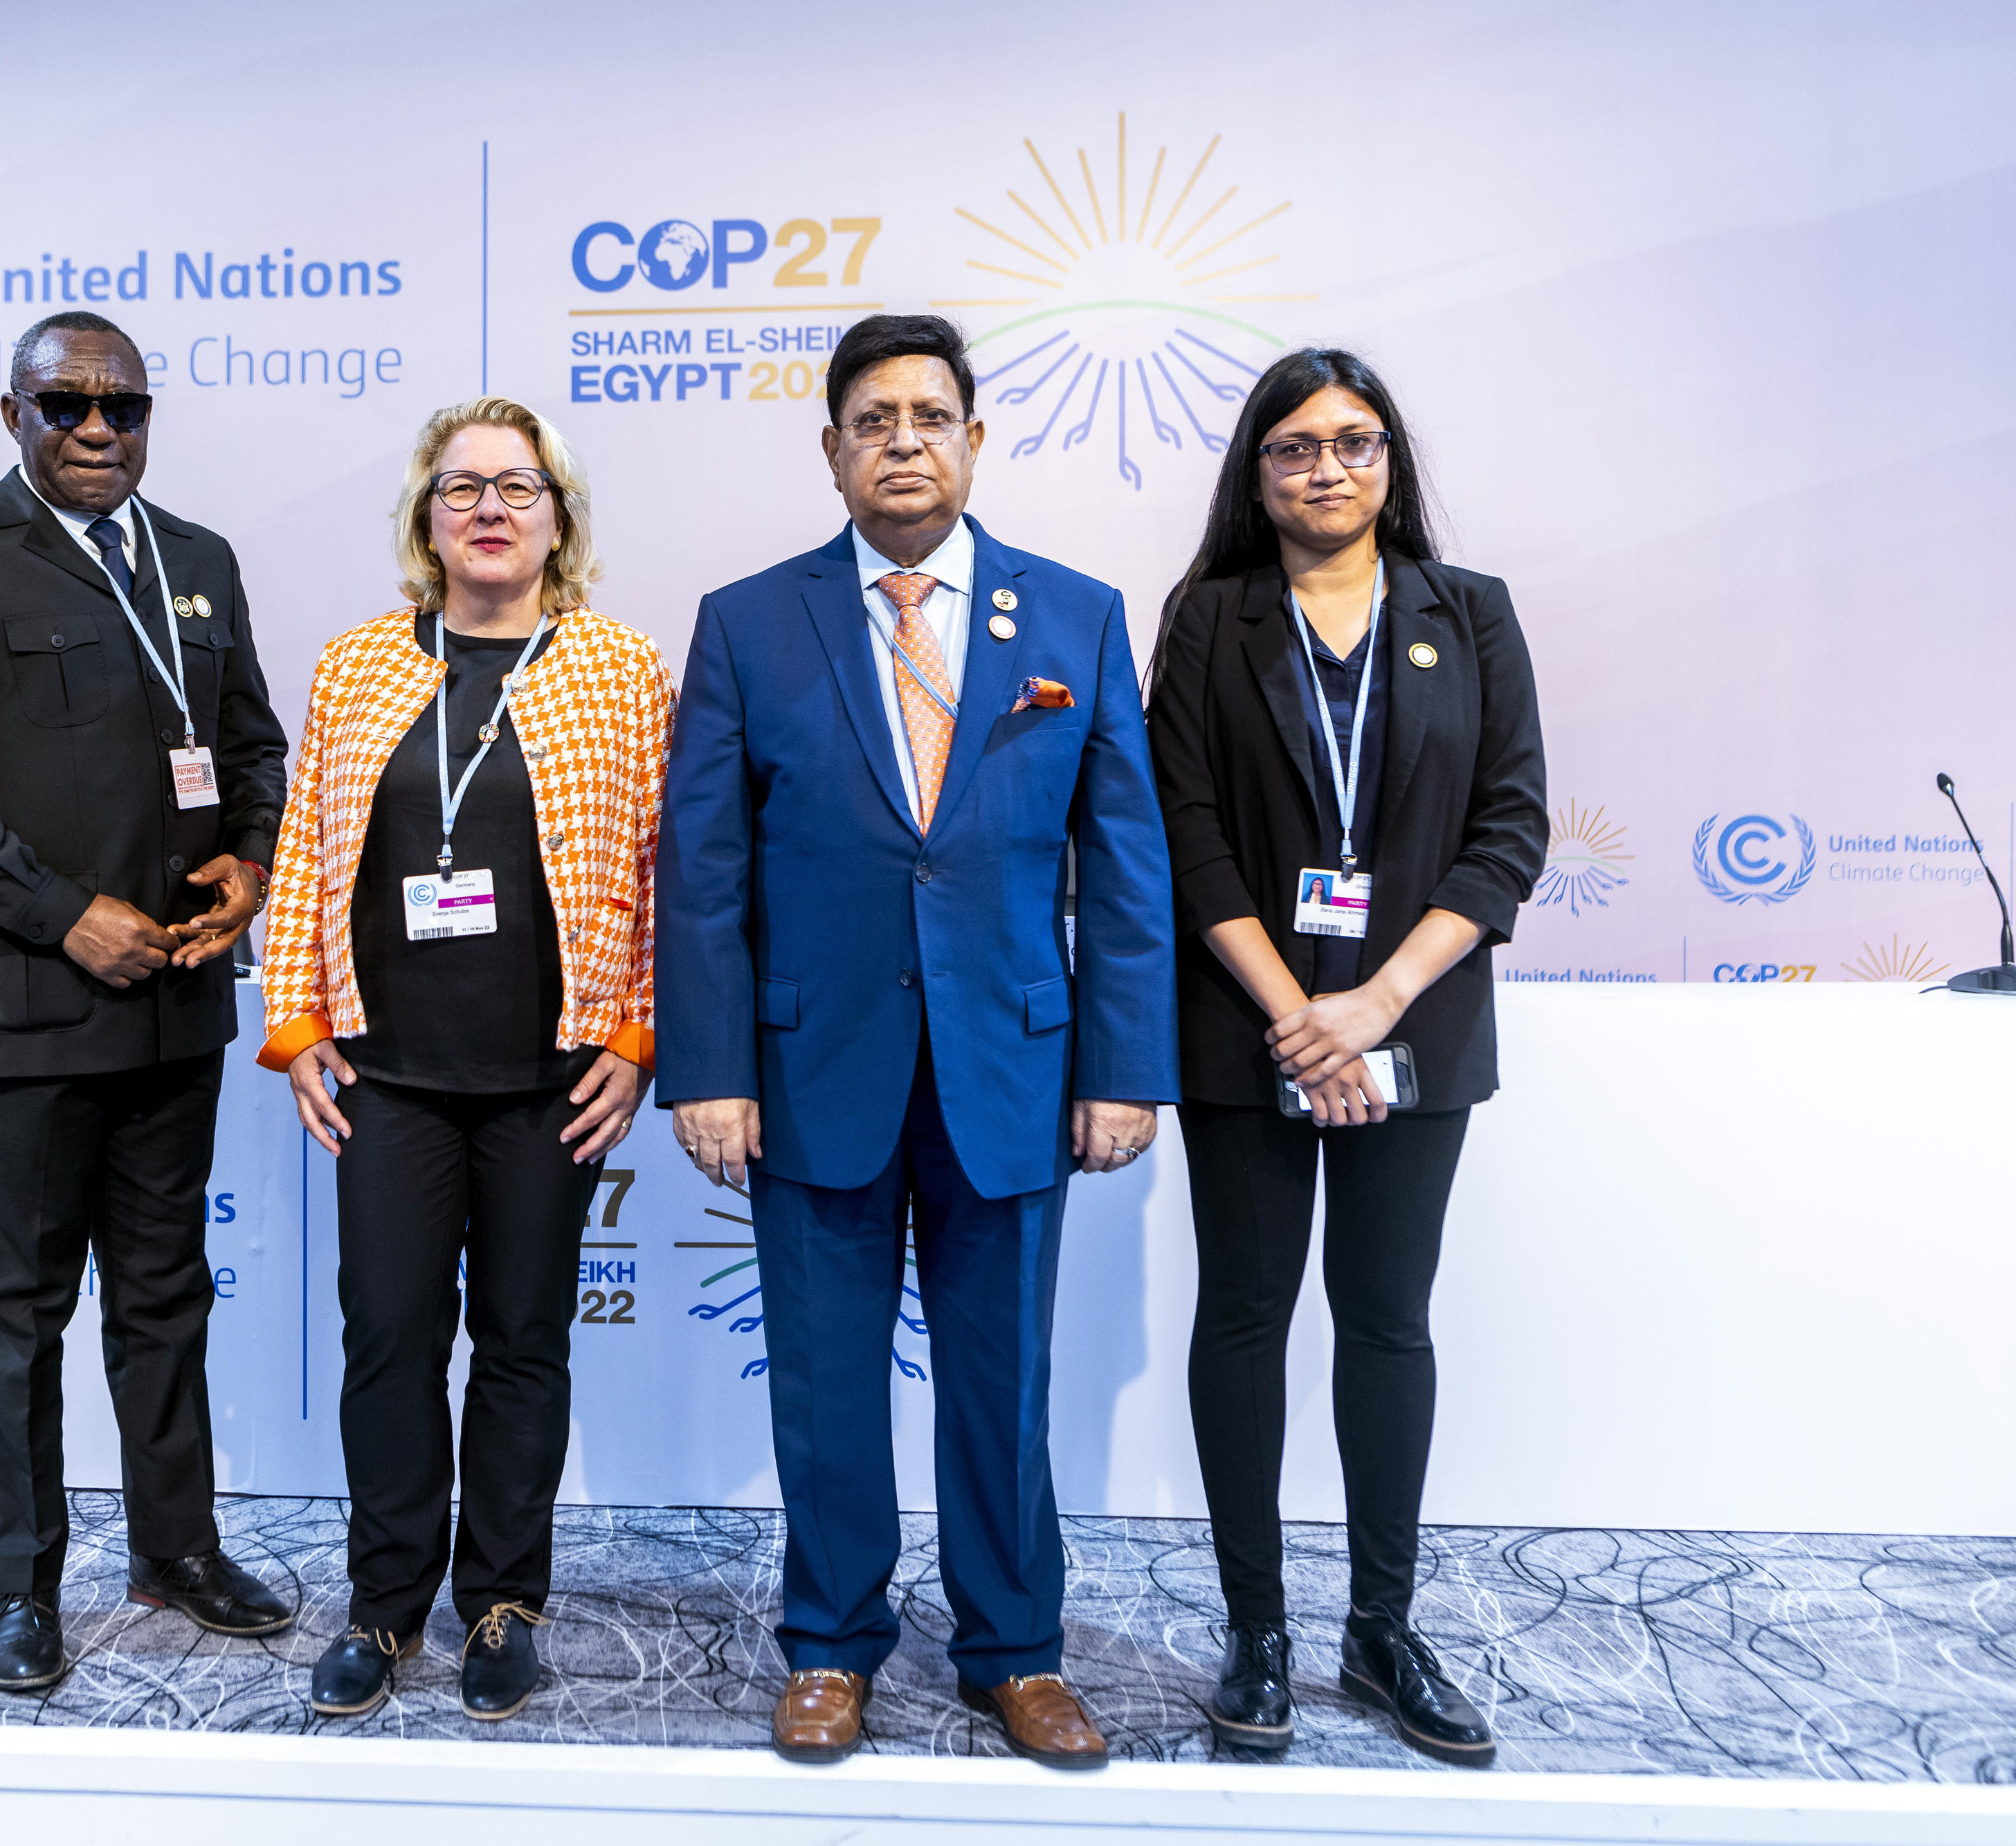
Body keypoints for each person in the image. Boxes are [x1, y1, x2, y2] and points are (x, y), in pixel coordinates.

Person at [657, 314, 1179, 1768]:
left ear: (973, 437)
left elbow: (1123, 860)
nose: (901, 439)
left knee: (1001, 1380)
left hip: (1010, 1065)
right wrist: (706, 1063)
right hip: (811, 1062)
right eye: (871, 417)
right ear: (830, 449)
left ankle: (1012, 1648)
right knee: (824, 1378)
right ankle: (829, 1644)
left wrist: (1125, 1065)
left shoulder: (1070, 615)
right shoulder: (751, 620)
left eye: (929, 414)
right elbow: (702, 866)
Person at [0, 309, 296, 1692]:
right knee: (17, 1308)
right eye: (66, 408)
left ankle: (177, 1545)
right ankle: (22, 1582)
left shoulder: (199, 561)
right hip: (24, 1005)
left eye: (124, 407)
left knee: (163, 1295)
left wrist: (253, 863)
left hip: (174, 1003)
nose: (98, 430)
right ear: (14, 418)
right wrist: (58, 910)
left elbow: (255, 747)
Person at [1144, 348, 1547, 1766]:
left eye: (1353, 442)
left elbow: (1509, 831)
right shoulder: (1206, 619)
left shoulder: (1469, 616)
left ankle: (1380, 1628)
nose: (1325, 467)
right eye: (1293, 447)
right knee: (1243, 1315)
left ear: (1390, 463)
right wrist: (1293, 1011)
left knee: (1385, 1318)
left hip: (1411, 1024)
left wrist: (1371, 1001)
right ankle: (1254, 1627)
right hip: (1240, 1020)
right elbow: (1181, 830)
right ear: (1254, 475)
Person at [259, 397, 671, 1723]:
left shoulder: (622, 670)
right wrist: (298, 1021)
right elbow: (305, 858)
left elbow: (671, 875)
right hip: (388, 1074)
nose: (488, 507)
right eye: (459, 488)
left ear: (562, 518)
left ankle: (503, 1600)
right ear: (424, 520)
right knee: (386, 1338)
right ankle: (383, 1608)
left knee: (523, 1341)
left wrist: (638, 1033)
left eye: (517, 486)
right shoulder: (358, 665)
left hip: (550, 1075)